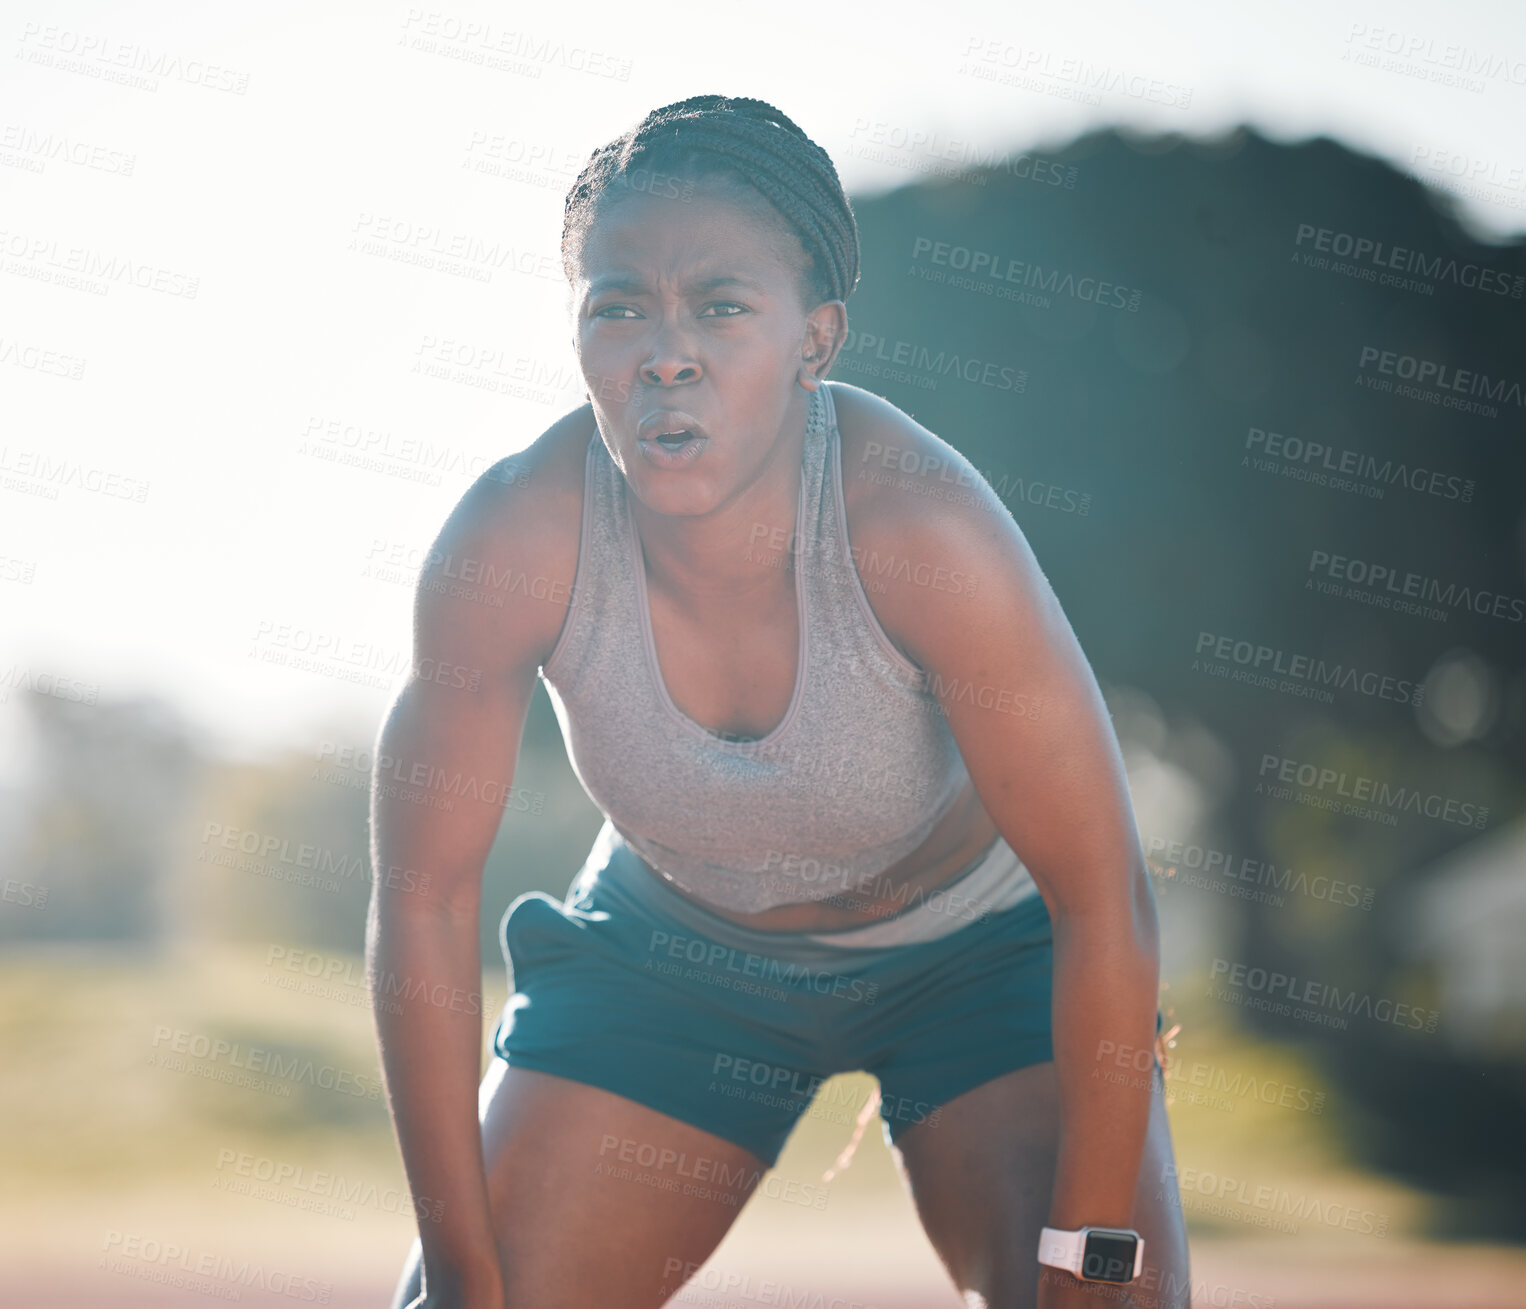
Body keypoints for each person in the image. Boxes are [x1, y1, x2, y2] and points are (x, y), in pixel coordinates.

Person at [369, 94, 1189, 1309]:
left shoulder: (920, 525)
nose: (665, 352)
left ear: (815, 341)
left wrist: (1084, 1264)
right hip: (671, 956)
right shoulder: (511, 539)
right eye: (617, 306)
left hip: (976, 957)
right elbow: (424, 903)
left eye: (720, 305)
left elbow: (1102, 899)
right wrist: (460, 1275)